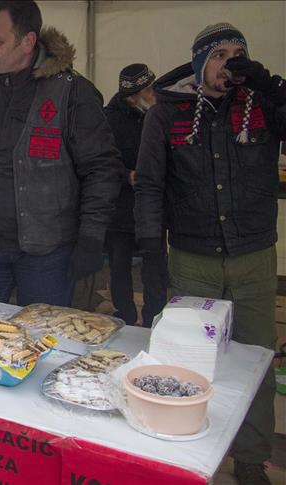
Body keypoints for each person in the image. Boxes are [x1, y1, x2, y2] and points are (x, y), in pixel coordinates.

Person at [134, 23, 285, 485]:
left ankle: (250, 457)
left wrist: (271, 86)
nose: (230, 63)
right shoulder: (166, 113)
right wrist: (149, 251)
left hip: (253, 254)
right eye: (219, 54)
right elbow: (150, 186)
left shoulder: (262, 106)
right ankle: (190, 448)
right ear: (200, 63)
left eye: (238, 53)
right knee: (190, 361)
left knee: (256, 359)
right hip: (192, 257)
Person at [0, 0, 122, 306]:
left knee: (43, 342)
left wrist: (92, 236)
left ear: (28, 42)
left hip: (47, 252)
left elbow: (101, 169)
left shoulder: (71, 92)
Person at [103, 64, 168, 327]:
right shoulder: (108, 118)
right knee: (120, 267)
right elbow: (102, 159)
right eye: (149, 89)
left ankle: (155, 317)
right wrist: (125, 174)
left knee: (155, 267)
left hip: (151, 209)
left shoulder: (160, 115)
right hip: (120, 209)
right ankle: (126, 317)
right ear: (133, 95)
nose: (155, 94)